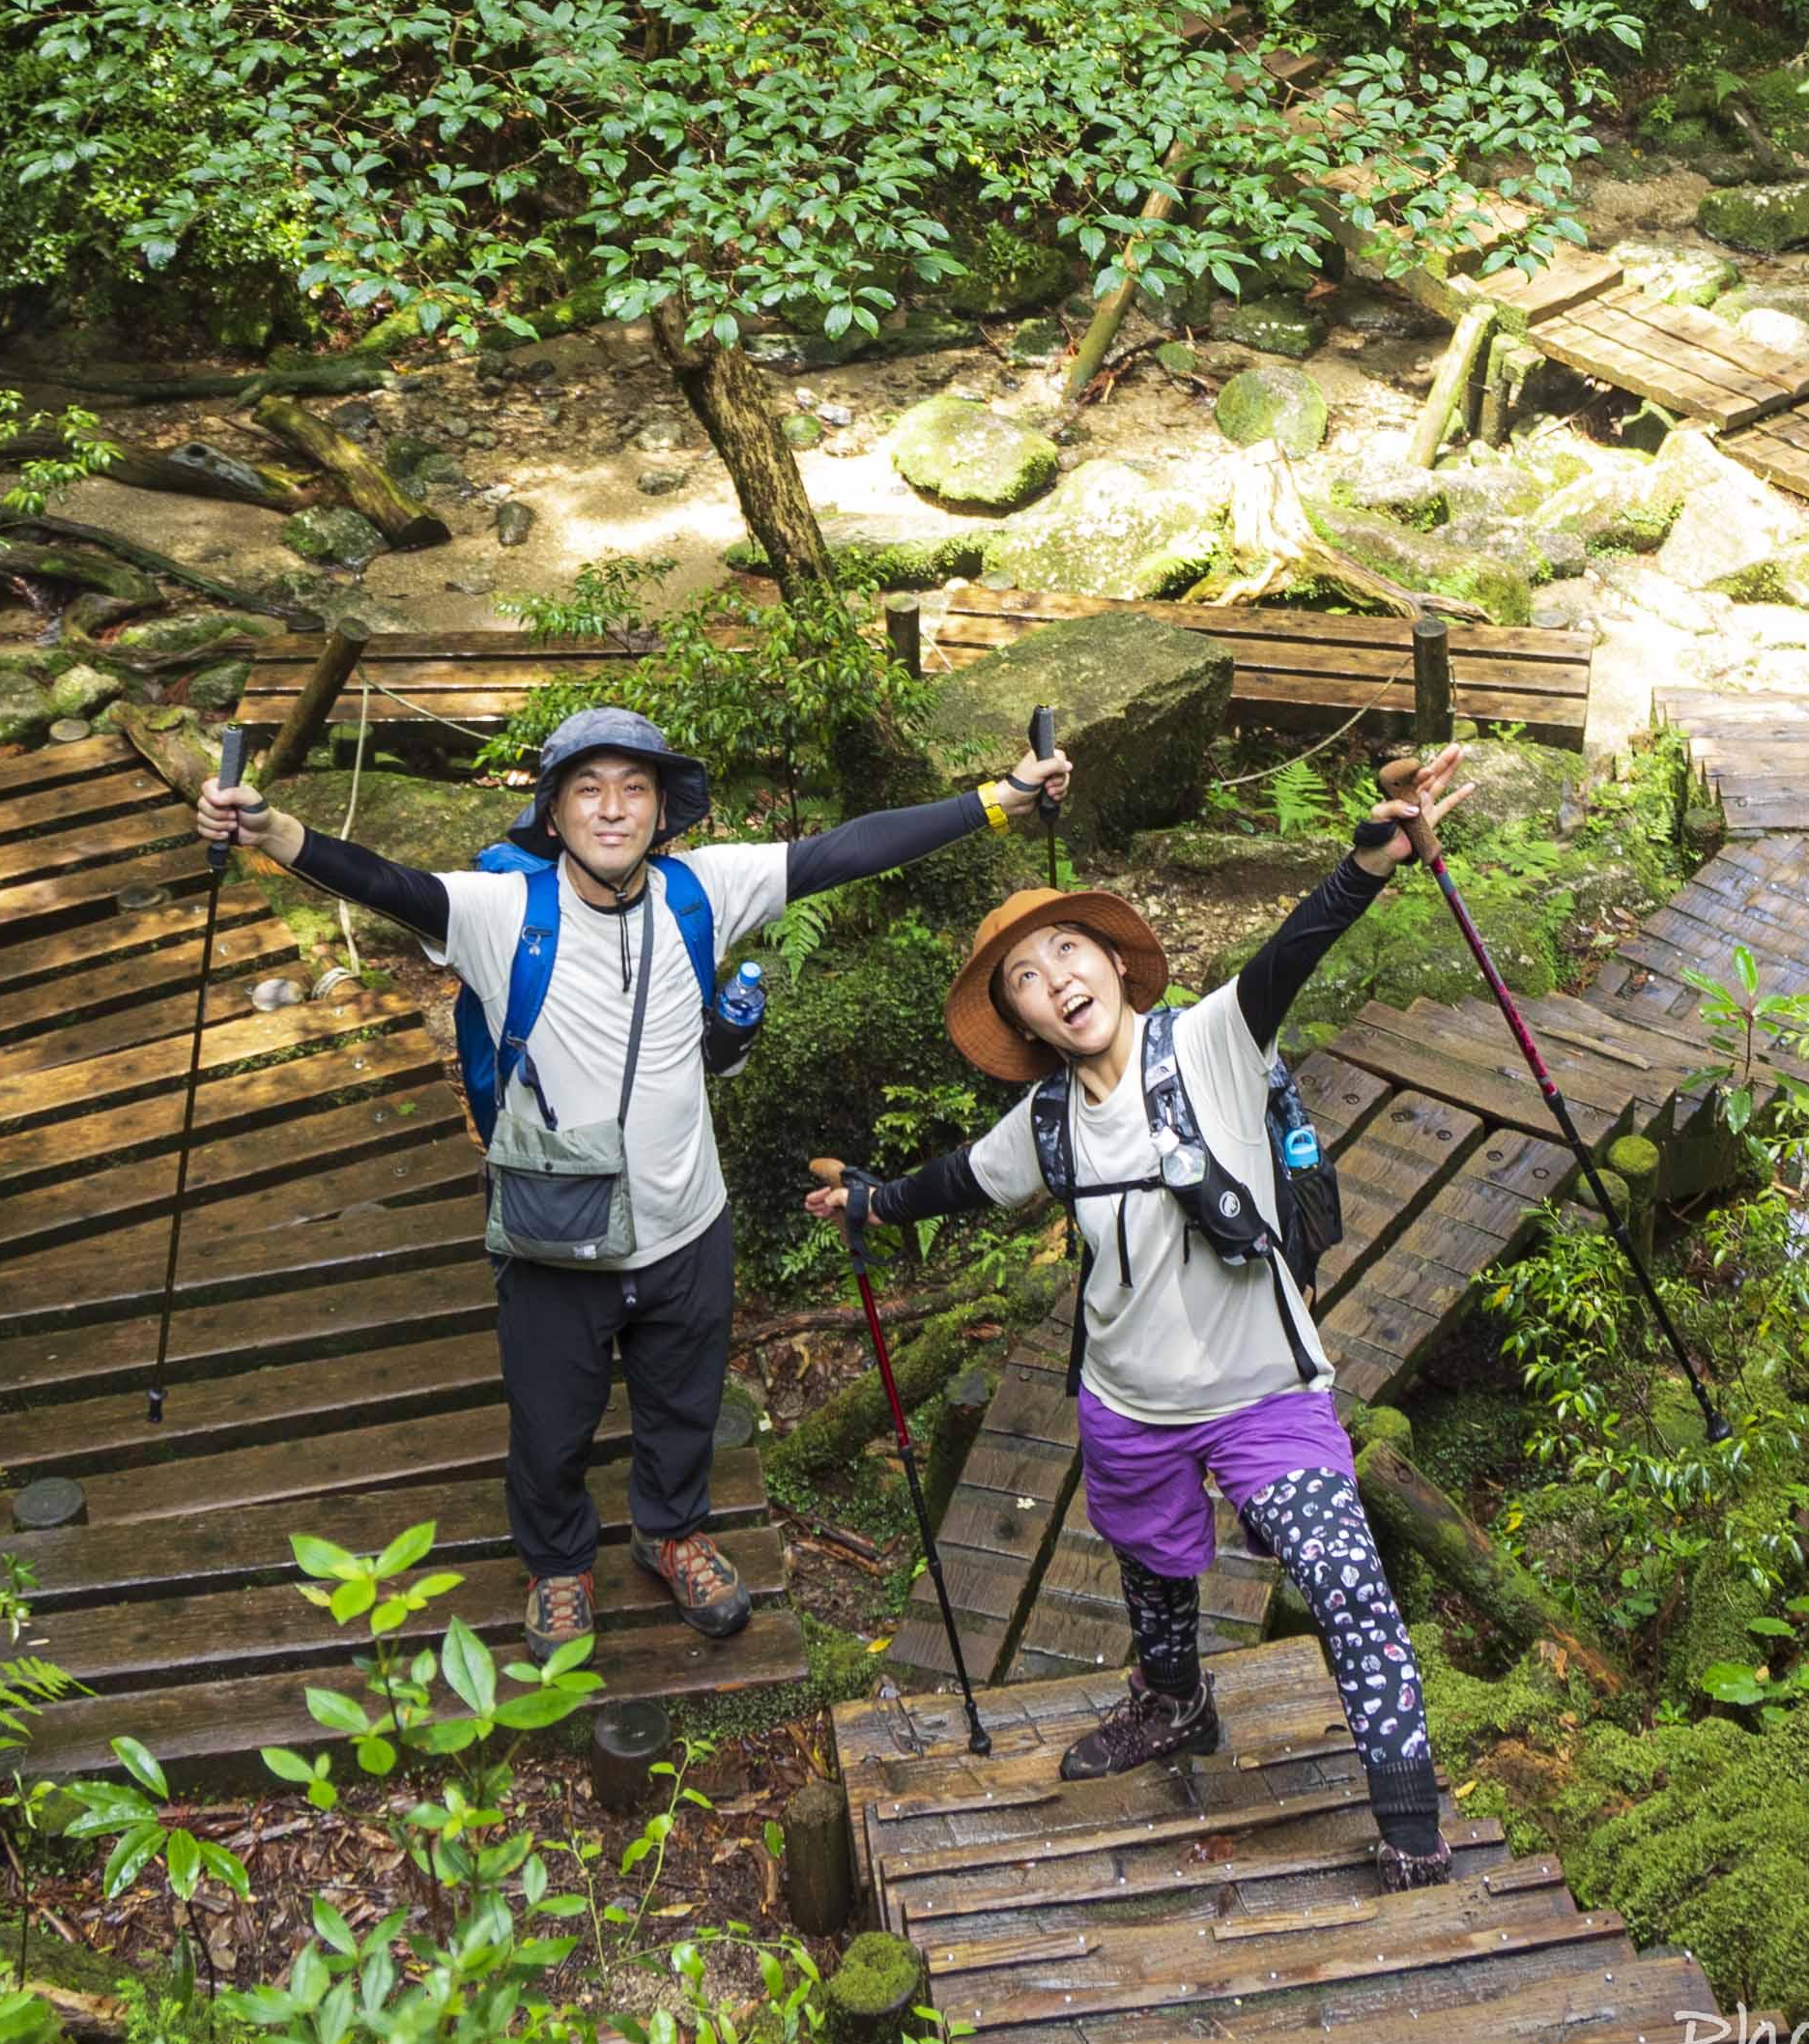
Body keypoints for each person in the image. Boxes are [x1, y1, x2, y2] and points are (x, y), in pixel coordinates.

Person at [202, 706, 1070, 1659]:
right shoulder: (505, 914)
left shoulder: (703, 890)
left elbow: (848, 851)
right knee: (550, 1424)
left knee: (682, 1406)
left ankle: (673, 1533)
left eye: (634, 790)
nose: (612, 809)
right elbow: (386, 882)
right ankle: (560, 1566)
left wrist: (1002, 799)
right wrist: (271, 830)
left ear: (663, 813)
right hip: (551, 1236)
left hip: (688, 1226)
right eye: (588, 789)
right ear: (554, 811)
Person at [802, 757, 1453, 1889]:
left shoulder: (1207, 1042)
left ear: (1114, 964)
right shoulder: (1045, 1123)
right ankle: (1173, 1703)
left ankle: (1408, 1820)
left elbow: (1291, 955)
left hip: (1263, 1394)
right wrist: (866, 1200)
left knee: (1344, 1579)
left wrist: (1365, 864)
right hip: (1129, 1406)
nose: (1052, 979)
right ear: (1018, 1020)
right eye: (1021, 976)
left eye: (1068, 952)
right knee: (1153, 1570)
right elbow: (956, 1180)